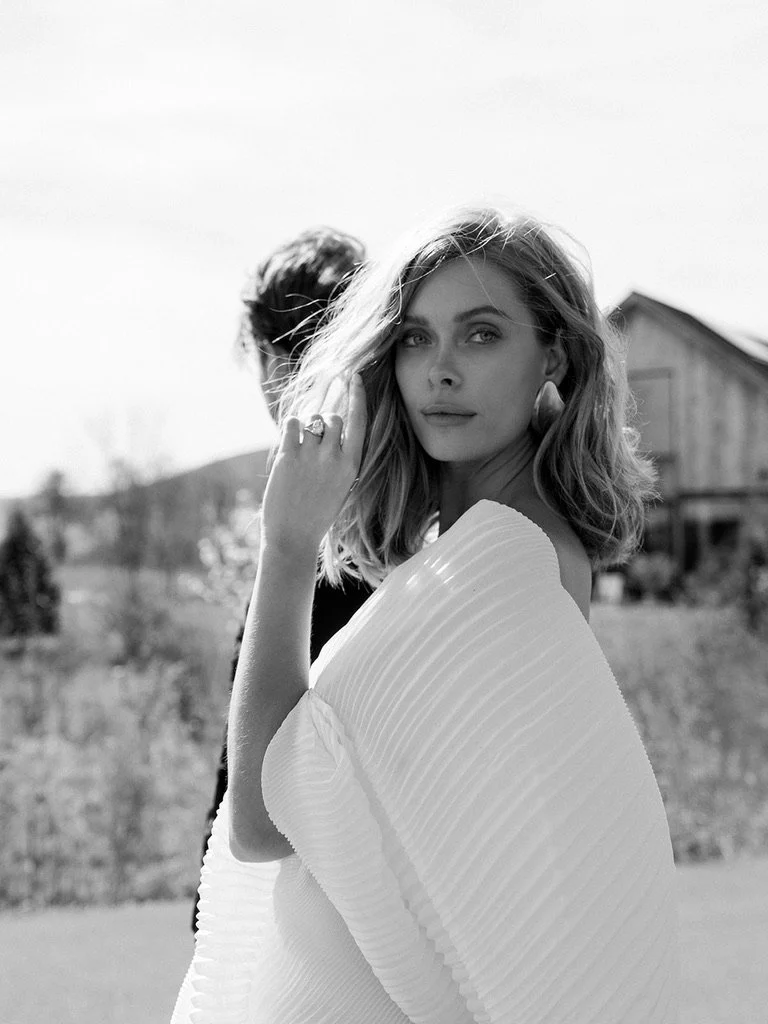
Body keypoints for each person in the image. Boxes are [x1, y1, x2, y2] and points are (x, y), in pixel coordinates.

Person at [173, 207, 679, 1022]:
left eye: (481, 335)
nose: (440, 370)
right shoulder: (479, 549)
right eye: (415, 338)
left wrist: (289, 542)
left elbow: (264, 822)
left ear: (553, 353)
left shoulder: (502, 560)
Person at [191, 226, 371, 933]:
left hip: (295, 936)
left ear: (271, 360)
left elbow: (255, 815)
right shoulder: (414, 516)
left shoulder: (327, 537)